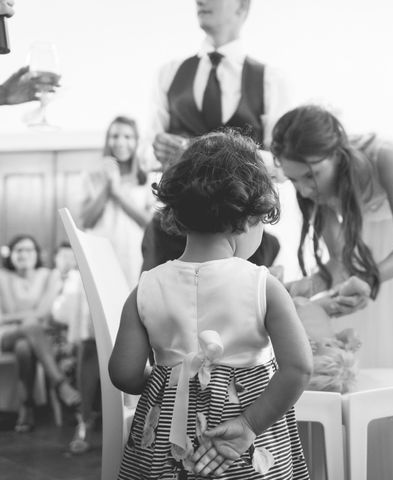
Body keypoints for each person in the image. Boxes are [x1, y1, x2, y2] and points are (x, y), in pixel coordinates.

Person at [271, 105, 393, 479]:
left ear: (336, 156)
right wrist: (302, 286)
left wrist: (369, 278)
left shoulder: (386, 156)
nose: (305, 189)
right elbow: (341, 262)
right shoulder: (316, 189)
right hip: (371, 253)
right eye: (295, 180)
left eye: (311, 176)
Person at [109, 132, 312, 479]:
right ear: (251, 216)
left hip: (167, 450)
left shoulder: (146, 288)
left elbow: (124, 373)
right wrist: (249, 423)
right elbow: (299, 369)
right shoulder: (265, 286)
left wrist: (168, 383)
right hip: (240, 449)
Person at [140, 0, 296, 274]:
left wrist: (197, 150)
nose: (200, 1)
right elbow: (143, 155)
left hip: (242, 235)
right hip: (174, 231)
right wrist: (157, 151)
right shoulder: (168, 74)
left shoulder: (271, 80)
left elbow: (284, 164)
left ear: (241, 8)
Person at [0, 234, 80, 432]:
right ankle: (60, 383)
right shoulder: (2, 276)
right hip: (6, 335)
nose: (23, 254)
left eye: (29, 249)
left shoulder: (48, 275)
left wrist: (18, 318)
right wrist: (27, 318)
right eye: (18, 250)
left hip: (36, 338)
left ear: (37, 254)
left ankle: (26, 408)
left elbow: (44, 312)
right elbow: (10, 314)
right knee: (31, 325)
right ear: (11, 255)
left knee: (24, 347)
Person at [80, 116, 155, 288]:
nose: (120, 142)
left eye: (128, 137)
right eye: (114, 136)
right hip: (100, 253)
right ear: (108, 140)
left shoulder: (149, 178)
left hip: (134, 255)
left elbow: (150, 222)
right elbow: (86, 221)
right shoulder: (91, 177)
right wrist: (108, 185)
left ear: (136, 141)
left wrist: (118, 193)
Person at [51, 242, 99, 454]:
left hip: (130, 254)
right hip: (96, 256)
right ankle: (85, 419)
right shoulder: (65, 277)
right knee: (88, 343)